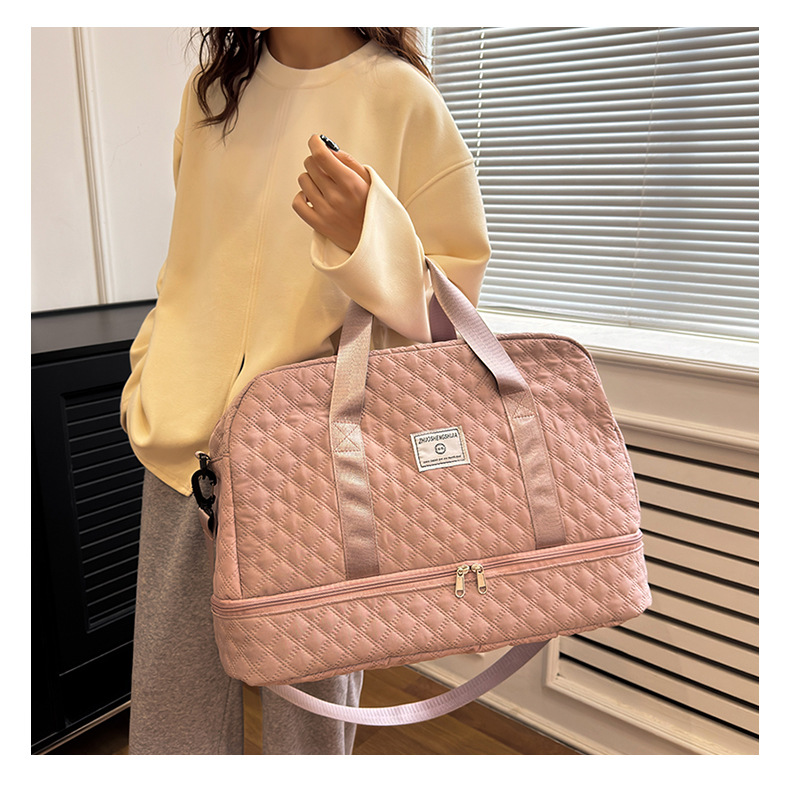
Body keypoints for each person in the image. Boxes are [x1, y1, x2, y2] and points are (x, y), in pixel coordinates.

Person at [120, 26, 491, 755]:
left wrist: (369, 239)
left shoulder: (403, 99)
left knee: (310, 737)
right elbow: (187, 264)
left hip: (317, 468)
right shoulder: (211, 96)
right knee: (171, 725)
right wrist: (149, 373)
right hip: (181, 454)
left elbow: (453, 318)